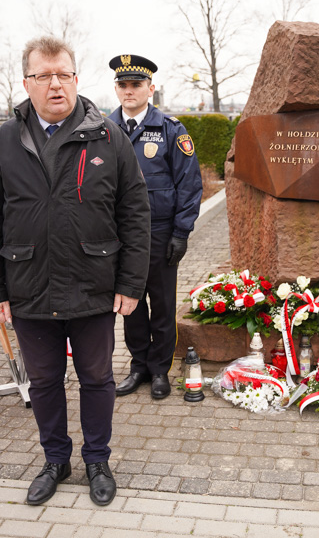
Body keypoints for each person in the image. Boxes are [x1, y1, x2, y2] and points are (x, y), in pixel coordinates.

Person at [0, 37, 150, 507]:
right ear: (26, 83)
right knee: (45, 382)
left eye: (64, 74)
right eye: (45, 76)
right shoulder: (3, 143)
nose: (56, 84)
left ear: (76, 78)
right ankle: (56, 459)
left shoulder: (108, 138)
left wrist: (132, 282)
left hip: (94, 286)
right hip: (28, 287)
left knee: (97, 379)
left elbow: (135, 212)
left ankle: (97, 459)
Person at [107, 55, 203, 400]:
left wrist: (181, 232)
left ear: (150, 89)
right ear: (116, 89)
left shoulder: (170, 130)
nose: (129, 91)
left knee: (161, 304)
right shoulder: (104, 130)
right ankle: (139, 365)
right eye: (123, 85)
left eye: (136, 85)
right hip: (121, 237)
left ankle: (160, 369)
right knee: (129, 303)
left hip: (160, 232)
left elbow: (189, 185)